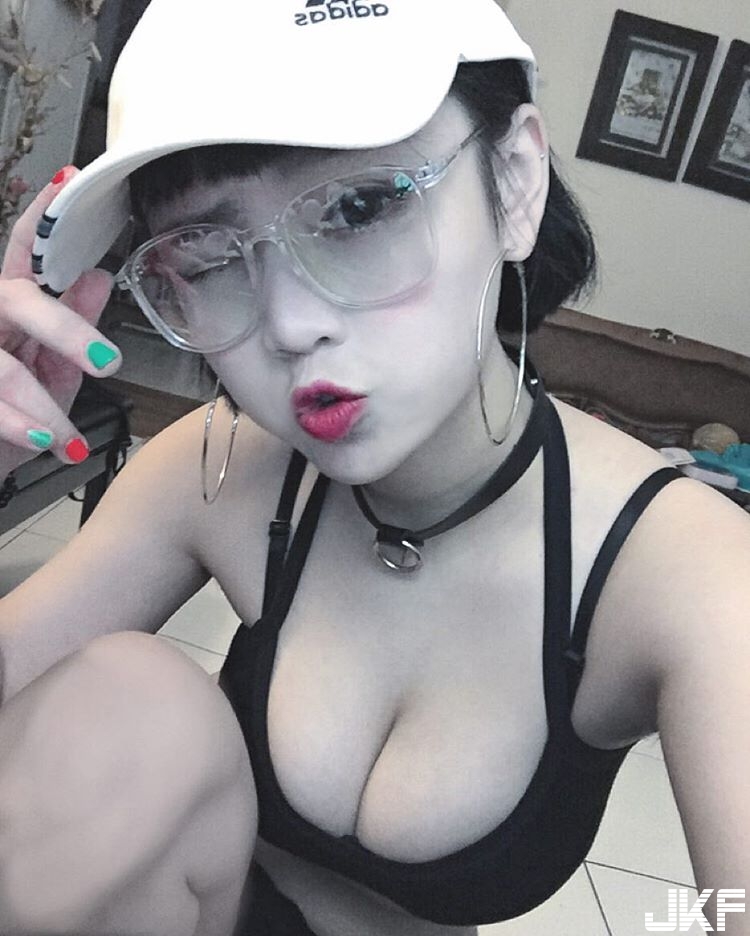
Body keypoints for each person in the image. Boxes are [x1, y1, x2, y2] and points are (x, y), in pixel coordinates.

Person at [0, 0, 747, 934]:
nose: (288, 323)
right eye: (207, 258)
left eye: (360, 208)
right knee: (123, 704)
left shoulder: (687, 570)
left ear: (515, 183)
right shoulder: (220, 469)